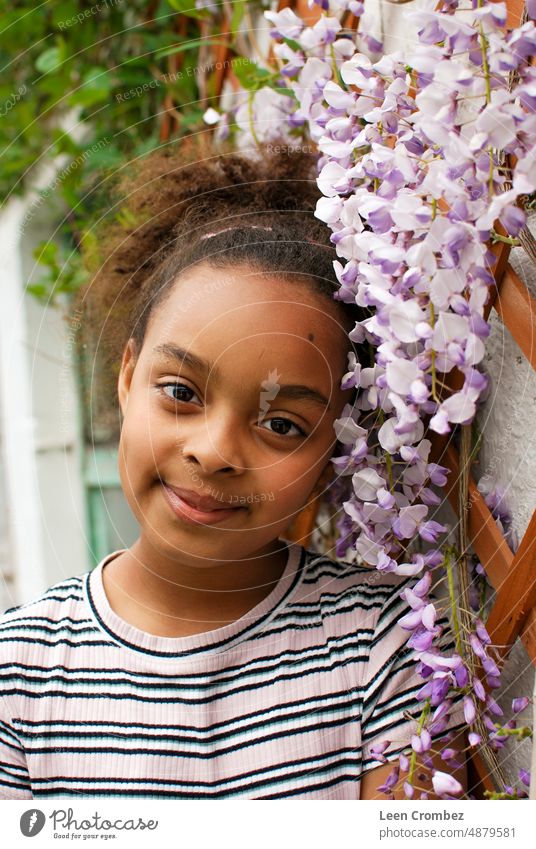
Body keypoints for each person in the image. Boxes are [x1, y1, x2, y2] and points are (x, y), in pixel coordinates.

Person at [0, 138, 466, 800]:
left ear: (333, 448)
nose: (214, 450)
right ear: (127, 377)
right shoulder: (18, 677)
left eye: (281, 425)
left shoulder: (385, 641)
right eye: (182, 392)